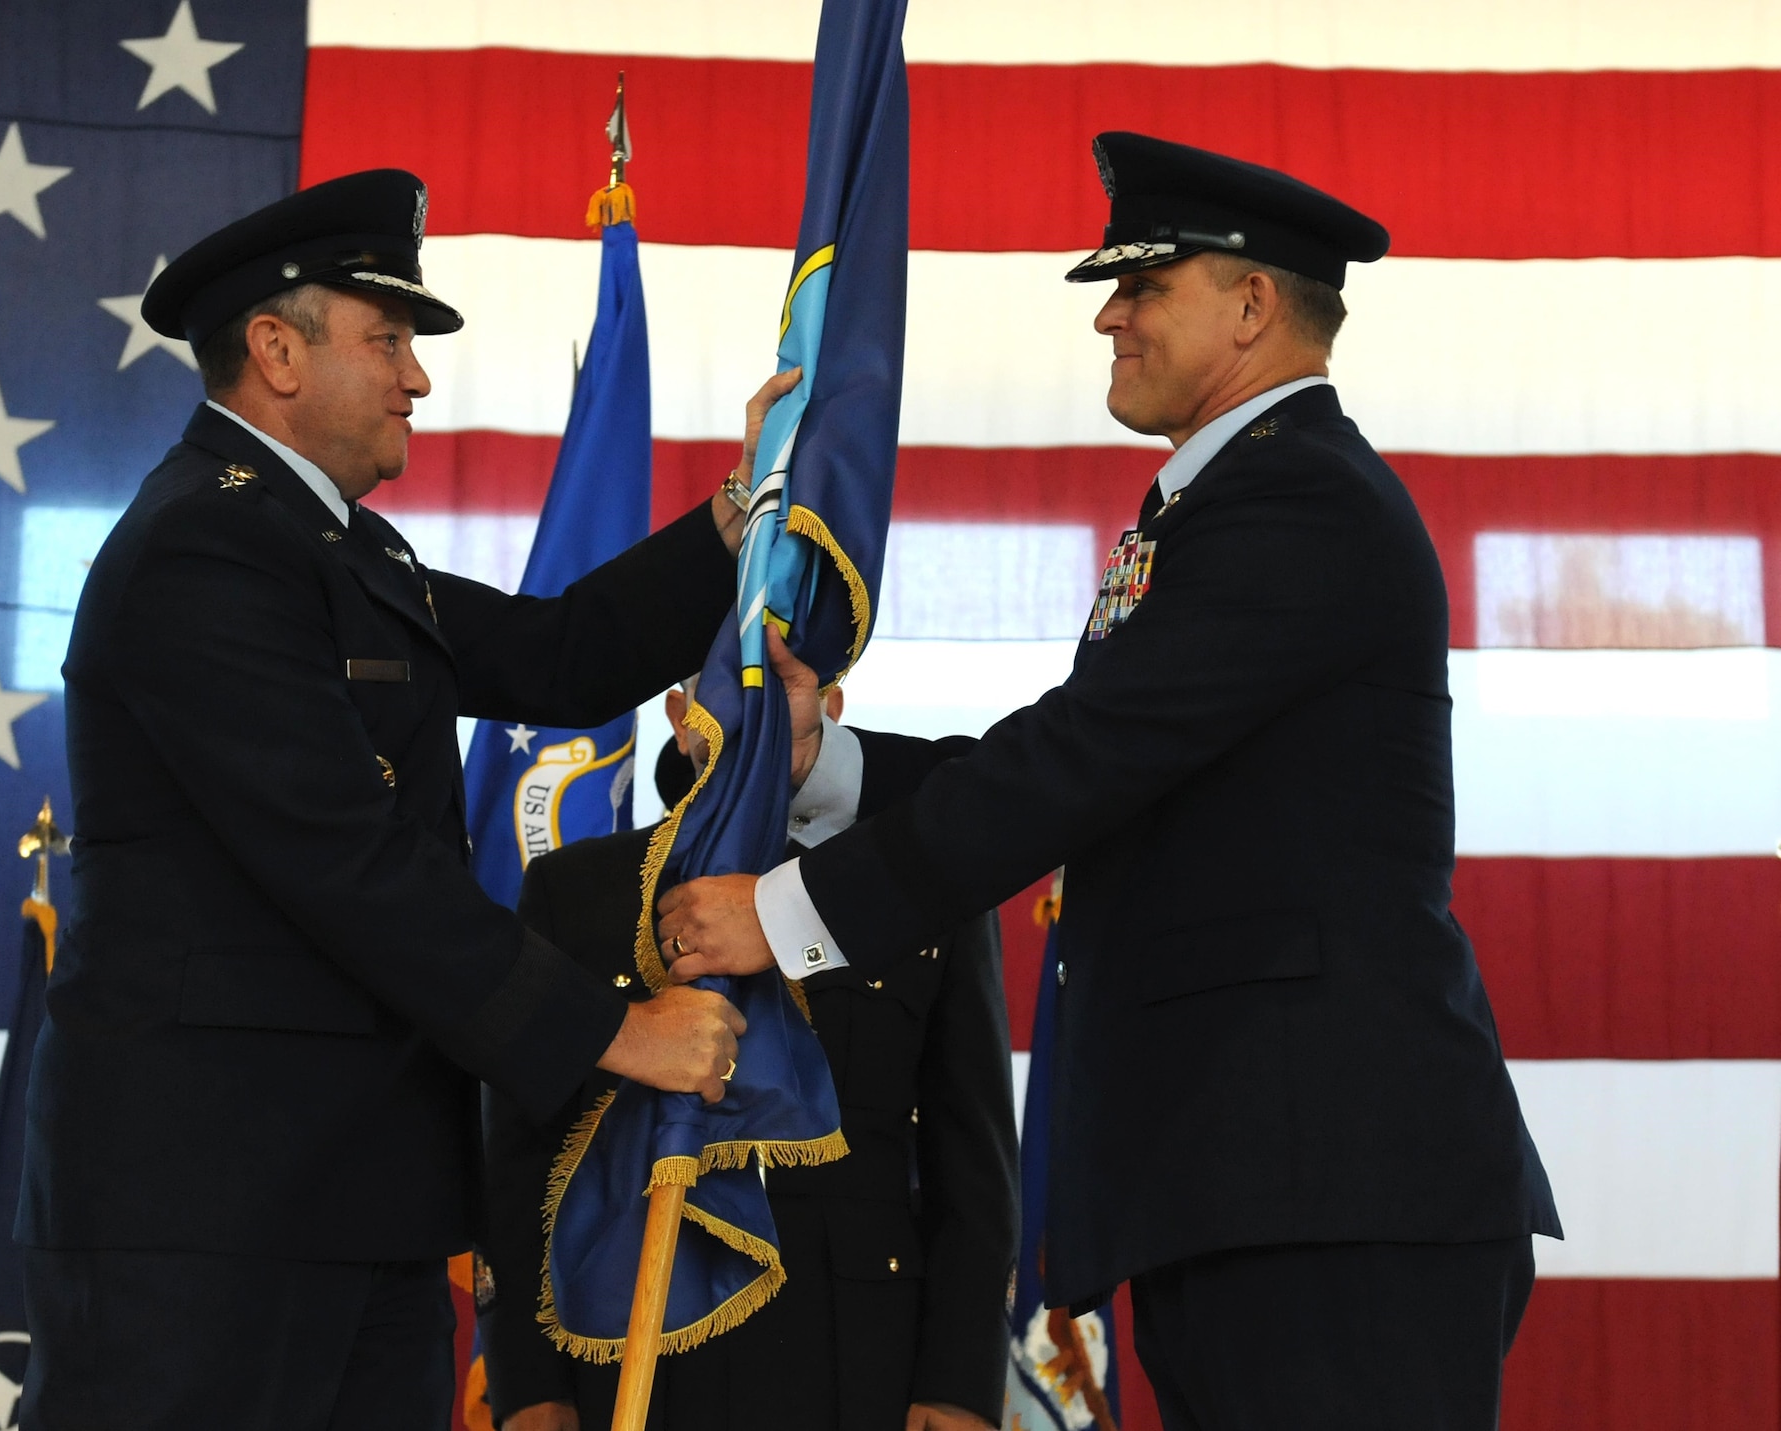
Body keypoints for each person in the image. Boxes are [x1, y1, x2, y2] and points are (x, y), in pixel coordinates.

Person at [655, 133, 1562, 1430]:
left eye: (1145, 285)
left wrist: (788, 913)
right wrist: (825, 757)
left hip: (1328, 1191)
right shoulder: (1229, 502)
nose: (1110, 315)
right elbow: (1097, 754)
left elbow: (1081, 760)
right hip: (1253, 1180)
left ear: (1252, 305)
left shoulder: (1298, 502)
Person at [15, 168, 797, 1431]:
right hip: (207, 1211)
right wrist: (611, 1028)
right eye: (386, 340)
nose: (416, 377)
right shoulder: (199, 552)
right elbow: (349, 863)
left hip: (351, 1196)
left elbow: (560, 659)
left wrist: (735, 511)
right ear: (274, 348)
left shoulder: (335, 547)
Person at [480, 668, 1019, 1431]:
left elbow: (974, 1150)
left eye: (787, 687)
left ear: (831, 708)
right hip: (641, 1343)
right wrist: (529, 1379)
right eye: (728, 684)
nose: (755, 711)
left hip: (863, 1353)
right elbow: (522, 1153)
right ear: (679, 714)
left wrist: (962, 1377)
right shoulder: (578, 890)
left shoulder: (911, 888)